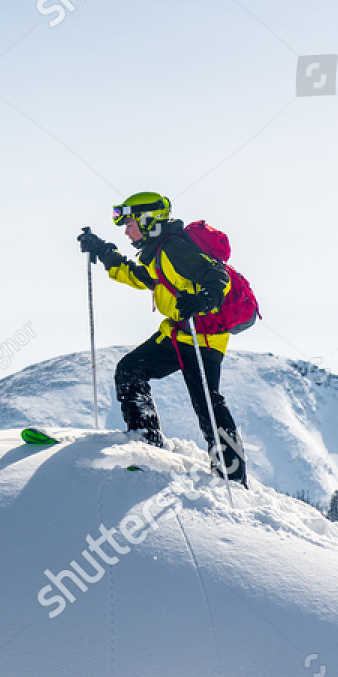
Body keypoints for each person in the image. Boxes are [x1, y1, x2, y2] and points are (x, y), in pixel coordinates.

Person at [77, 192, 247, 484]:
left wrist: (205, 299)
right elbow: (140, 277)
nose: (127, 231)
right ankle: (147, 442)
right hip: (180, 332)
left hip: (203, 337)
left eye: (129, 224)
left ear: (148, 221)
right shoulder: (159, 253)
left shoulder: (175, 250)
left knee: (207, 403)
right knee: (130, 370)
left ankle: (231, 476)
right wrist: (103, 251)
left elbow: (217, 275)